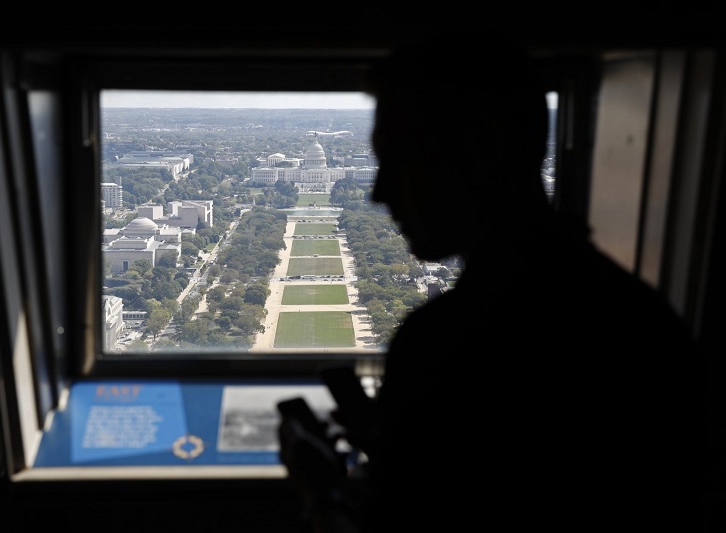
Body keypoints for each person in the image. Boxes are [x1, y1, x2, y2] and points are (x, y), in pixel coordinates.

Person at [278, 26, 705, 533]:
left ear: (482, 152)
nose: (379, 192)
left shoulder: (444, 339)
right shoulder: (640, 317)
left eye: (400, 162)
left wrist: (322, 493)